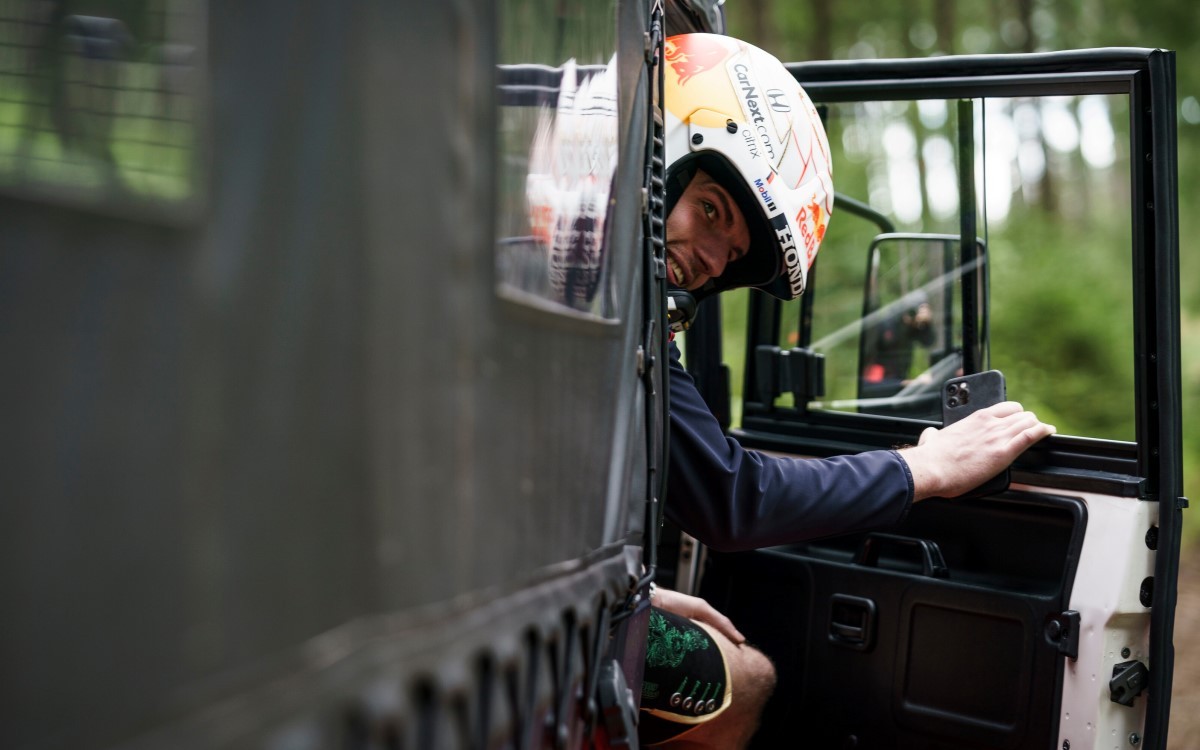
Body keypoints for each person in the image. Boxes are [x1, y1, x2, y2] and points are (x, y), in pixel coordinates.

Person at [638, 30, 1057, 749]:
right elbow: (735, 499)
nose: (711, 261)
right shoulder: (616, 313)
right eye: (709, 209)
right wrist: (922, 468)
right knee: (753, 679)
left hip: (527, 594)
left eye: (733, 252)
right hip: (520, 616)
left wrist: (628, 591)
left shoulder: (595, 294)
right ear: (661, 161)